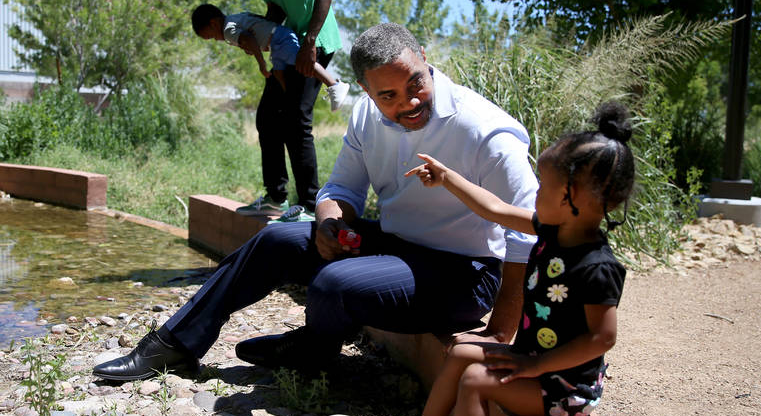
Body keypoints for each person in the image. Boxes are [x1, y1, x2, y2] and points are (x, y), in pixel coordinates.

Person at [91, 22, 538, 383]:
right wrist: (328, 224)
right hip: (402, 247)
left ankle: (310, 352)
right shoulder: (366, 116)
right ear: (365, 90)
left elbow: (532, 227)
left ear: (424, 57)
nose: (410, 102)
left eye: (415, 83)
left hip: (464, 271)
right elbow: (340, 191)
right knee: (278, 238)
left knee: (335, 284)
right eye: (389, 96)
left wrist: (502, 330)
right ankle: (175, 345)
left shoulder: (485, 131)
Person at [368, 102, 635, 416]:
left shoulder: (597, 267)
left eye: (543, 186)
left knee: (476, 380)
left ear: (573, 197)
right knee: (461, 352)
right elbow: (495, 209)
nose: (535, 193)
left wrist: (534, 366)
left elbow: (603, 338)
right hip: (532, 361)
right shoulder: (552, 229)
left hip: (563, 389)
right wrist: (448, 178)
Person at [216, 0, 343, 220]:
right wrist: (256, 37)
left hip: (314, 42)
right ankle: (276, 197)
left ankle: (311, 206)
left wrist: (310, 41)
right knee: (267, 118)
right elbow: (276, 7)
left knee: (295, 122)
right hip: (290, 46)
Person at [191, 3, 349, 112]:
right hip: (277, 41)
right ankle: (288, 99)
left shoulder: (227, 30)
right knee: (278, 72)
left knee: (302, 61)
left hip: (279, 38)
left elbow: (248, 38)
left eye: (211, 36)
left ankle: (334, 84)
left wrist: (261, 63)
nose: (216, 40)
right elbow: (255, 21)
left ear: (213, 23)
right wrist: (252, 45)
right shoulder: (234, 18)